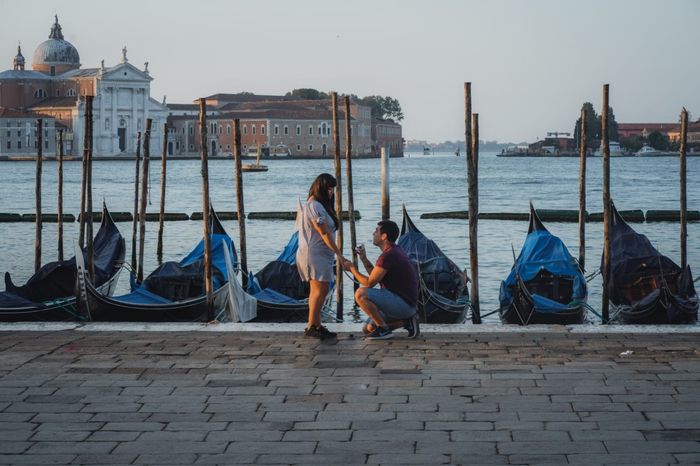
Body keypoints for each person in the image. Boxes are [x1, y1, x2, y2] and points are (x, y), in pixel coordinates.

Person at [342, 220, 420, 340]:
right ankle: (406, 323)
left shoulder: (388, 255)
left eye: (376, 231)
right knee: (368, 328)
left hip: (403, 305)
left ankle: (383, 330)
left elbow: (369, 283)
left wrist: (352, 268)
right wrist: (363, 258)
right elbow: (376, 277)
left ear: (384, 236)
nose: (373, 233)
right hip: (404, 305)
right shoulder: (394, 251)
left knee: (360, 293)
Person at [297, 173, 343, 340]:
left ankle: (315, 324)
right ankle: (312, 326)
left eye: (332, 189)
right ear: (321, 188)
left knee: (318, 291)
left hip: (321, 254)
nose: (331, 192)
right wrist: (339, 253)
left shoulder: (319, 206)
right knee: (320, 290)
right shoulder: (314, 206)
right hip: (314, 253)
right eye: (329, 188)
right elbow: (323, 233)